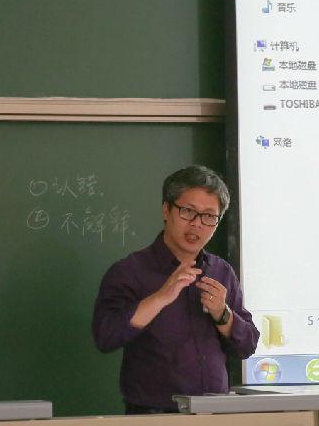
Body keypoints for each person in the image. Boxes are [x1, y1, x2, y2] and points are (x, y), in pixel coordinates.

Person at [92, 165, 259, 414]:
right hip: (153, 415)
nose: (197, 224)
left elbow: (247, 346)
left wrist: (223, 315)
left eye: (209, 216)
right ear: (166, 210)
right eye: (188, 212)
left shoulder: (221, 271)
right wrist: (160, 298)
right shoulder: (130, 271)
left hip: (215, 413)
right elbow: (106, 337)